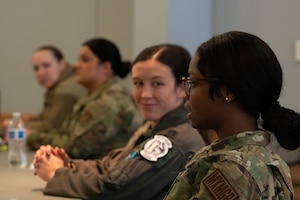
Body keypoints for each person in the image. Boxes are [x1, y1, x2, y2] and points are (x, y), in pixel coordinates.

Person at [32, 44, 206, 200]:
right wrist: (68, 165)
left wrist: (56, 173)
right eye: (138, 83)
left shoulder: (173, 140)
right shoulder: (155, 125)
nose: (145, 94)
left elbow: (114, 190)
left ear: (182, 89)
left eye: (158, 84)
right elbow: (116, 166)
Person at [165, 31, 298, 199]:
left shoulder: (233, 170)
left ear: (227, 92)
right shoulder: (261, 156)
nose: (187, 94)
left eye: (194, 83)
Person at [28, 38, 142, 159]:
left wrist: (31, 137)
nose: (77, 66)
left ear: (106, 67)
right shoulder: (89, 96)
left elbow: (76, 148)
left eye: (85, 60)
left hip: (106, 173)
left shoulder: (107, 102)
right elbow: (65, 132)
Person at [25, 46, 86, 133]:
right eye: (36, 68)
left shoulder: (66, 90)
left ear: (62, 64)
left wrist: (16, 126)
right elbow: (43, 118)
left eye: (46, 66)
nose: (40, 73)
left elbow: (51, 127)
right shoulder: (58, 85)